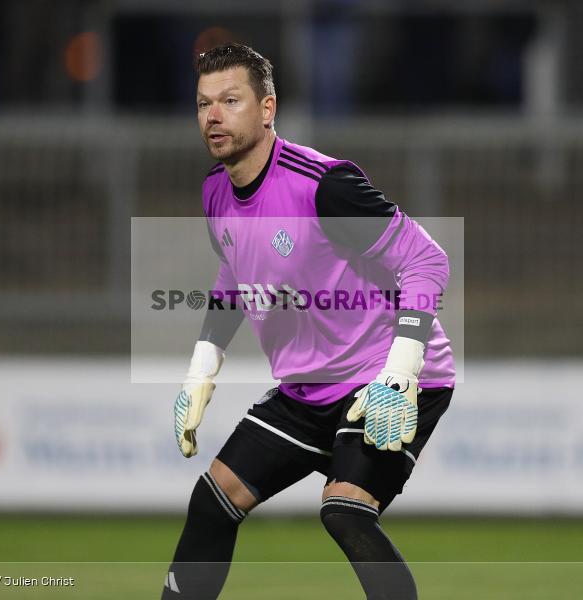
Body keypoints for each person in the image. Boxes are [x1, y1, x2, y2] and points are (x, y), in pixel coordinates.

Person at [161, 44, 456, 600]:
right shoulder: (214, 191)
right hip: (308, 389)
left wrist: (401, 373)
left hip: (386, 376)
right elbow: (235, 274)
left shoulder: (325, 185)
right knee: (213, 500)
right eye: (203, 104)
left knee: (345, 512)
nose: (213, 116)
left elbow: (427, 260)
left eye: (230, 100)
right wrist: (201, 372)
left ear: (267, 108)